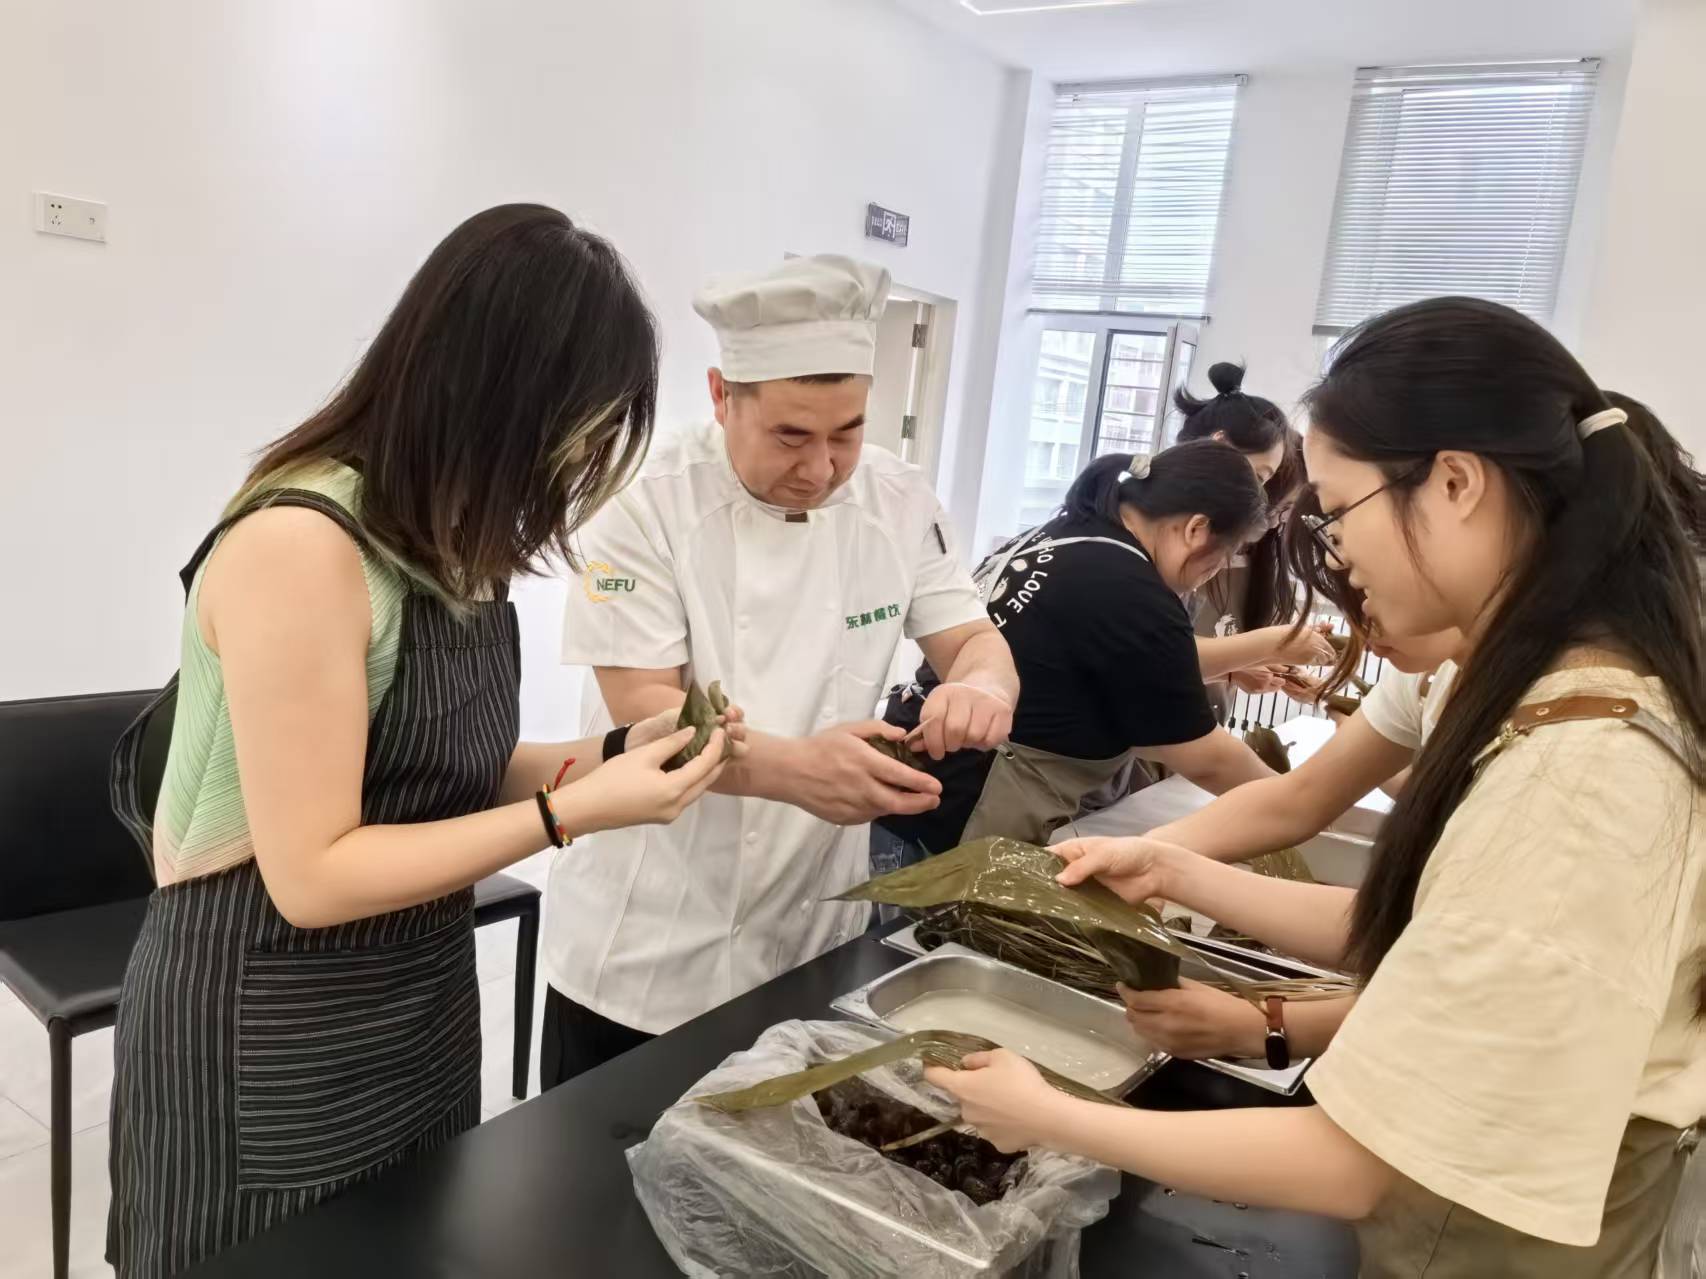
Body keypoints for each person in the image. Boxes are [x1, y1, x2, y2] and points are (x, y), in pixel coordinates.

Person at [926, 296, 1705, 1277]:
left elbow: (1350, 1164)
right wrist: (1171, 867)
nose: (1335, 552)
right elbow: (1415, 929)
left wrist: (1049, 1114)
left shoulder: (1578, 785)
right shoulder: (1535, 683)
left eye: (1338, 510)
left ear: (1455, 483)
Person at [104, 206, 741, 1279]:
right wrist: (568, 815)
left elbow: (443, 773)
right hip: (264, 1017)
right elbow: (313, 872)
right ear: (497, 398)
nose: (579, 466)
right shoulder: (301, 545)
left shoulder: (451, 537)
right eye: (577, 434)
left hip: (417, 1002)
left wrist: (614, 754)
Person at [540, 254, 1018, 1085]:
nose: (822, 468)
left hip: (811, 936)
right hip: (646, 948)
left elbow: (975, 641)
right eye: (791, 436)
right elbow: (647, 713)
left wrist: (981, 687)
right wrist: (798, 769)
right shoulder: (644, 501)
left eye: (847, 434)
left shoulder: (898, 499)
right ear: (722, 396)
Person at [872, 442, 1309, 868]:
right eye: (1224, 555)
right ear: (1196, 529)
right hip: (958, 808)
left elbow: (1146, 672)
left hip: (915, 777)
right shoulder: (1129, 588)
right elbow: (1207, 758)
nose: (1214, 573)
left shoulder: (1073, 533)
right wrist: (1304, 806)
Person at [1114, 625, 1461, 1063]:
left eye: (1359, 590)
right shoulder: (1426, 678)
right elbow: (1298, 798)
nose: (1362, 617)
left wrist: (1272, 1026)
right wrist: (1152, 857)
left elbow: (1465, 977)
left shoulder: (1540, 726)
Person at [1172, 362, 1320, 712]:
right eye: (1259, 478)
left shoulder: (1257, 562)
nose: (1278, 522)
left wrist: (1270, 660)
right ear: (1219, 446)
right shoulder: (1171, 553)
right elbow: (1158, 658)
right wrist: (1245, 663)